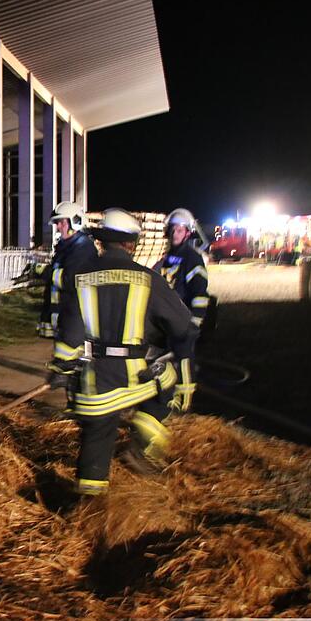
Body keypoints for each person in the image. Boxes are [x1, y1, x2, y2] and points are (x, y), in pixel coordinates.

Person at [48, 208, 199, 496]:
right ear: (131, 244)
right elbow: (184, 329)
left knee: (97, 439)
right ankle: (143, 442)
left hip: (94, 390)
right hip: (132, 380)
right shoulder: (149, 280)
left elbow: (69, 333)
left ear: (101, 242)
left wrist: (61, 368)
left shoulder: (81, 278)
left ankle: (89, 503)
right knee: (166, 379)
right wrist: (187, 379)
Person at [33, 201, 98, 339]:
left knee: (68, 356)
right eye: (57, 223)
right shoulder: (66, 247)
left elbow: (69, 280)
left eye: (62, 222)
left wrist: (44, 272)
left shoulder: (83, 248)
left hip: (74, 317)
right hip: (64, 316)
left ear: (76, 222)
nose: (58, 227)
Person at [154, 208, 211, 329]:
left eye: (179, 231)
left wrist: (194, 323)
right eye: (172, 230)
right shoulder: (168, 257)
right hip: (166, 321)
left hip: (183, 322)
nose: (174, 234)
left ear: (188, 233)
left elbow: (200, 293)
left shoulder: (193, 259)